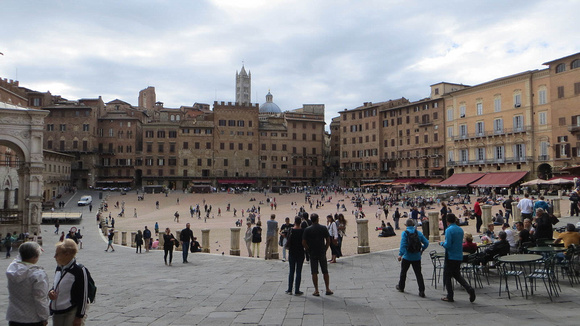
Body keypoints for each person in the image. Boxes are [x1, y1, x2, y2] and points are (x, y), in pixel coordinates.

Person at [6, 242, 49, 326]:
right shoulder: (37, 274)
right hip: (32, 319)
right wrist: (44, 317)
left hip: (14, 317)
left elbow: (17, 258)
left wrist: (28, 249)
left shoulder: (12, 269)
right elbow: (40, 299)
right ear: (34, 257)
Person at [49, 239, 89, 325]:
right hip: (57, 310)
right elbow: (57, 284)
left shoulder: (79, 270)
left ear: (67, 254)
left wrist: (79, 317)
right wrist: (51, 291)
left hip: (71, 310)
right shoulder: (59, 267)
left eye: (57, 254)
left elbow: (84, 295)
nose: (54, 256)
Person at [439, 214, 476, 303]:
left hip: (451, 256)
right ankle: (469, 288)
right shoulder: (460, 229)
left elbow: (448, 244)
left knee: (447, 276)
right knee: (457, 275)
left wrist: (441, 243)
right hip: (459, 255)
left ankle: (450, 295)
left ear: (447, 221)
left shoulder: (449, 230)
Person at [302, 213, 333, 296]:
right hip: (321, 251)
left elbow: (304, 242)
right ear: (317, 219)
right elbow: (328, 240)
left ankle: (316, 290)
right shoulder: (323, 228)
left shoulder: (307, 229)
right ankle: (327, 288)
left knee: (314, 272)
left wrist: (308, 250)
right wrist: (325, 249)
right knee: (325, 271)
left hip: (312, 252)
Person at [396, 219, 429, 297]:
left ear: (406, 225)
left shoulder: (405, 233)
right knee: (418, 274)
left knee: (403, 273)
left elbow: (403, 244)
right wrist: (422, 249)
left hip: (407, 256)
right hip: (417, 257)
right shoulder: (418, 233)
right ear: (413, 225)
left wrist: (400, 254)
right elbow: (426, 243)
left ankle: (401, 287)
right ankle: (421, 291)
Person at [286, 216, 305, 295]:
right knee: (298, 271)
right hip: (300, 252)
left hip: (292, 252)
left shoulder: (291, 230)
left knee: (291, 271)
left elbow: (287, 239)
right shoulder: (303, 231)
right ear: (300, 222)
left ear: (294, 222)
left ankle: (290, 289)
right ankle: (297, 290)